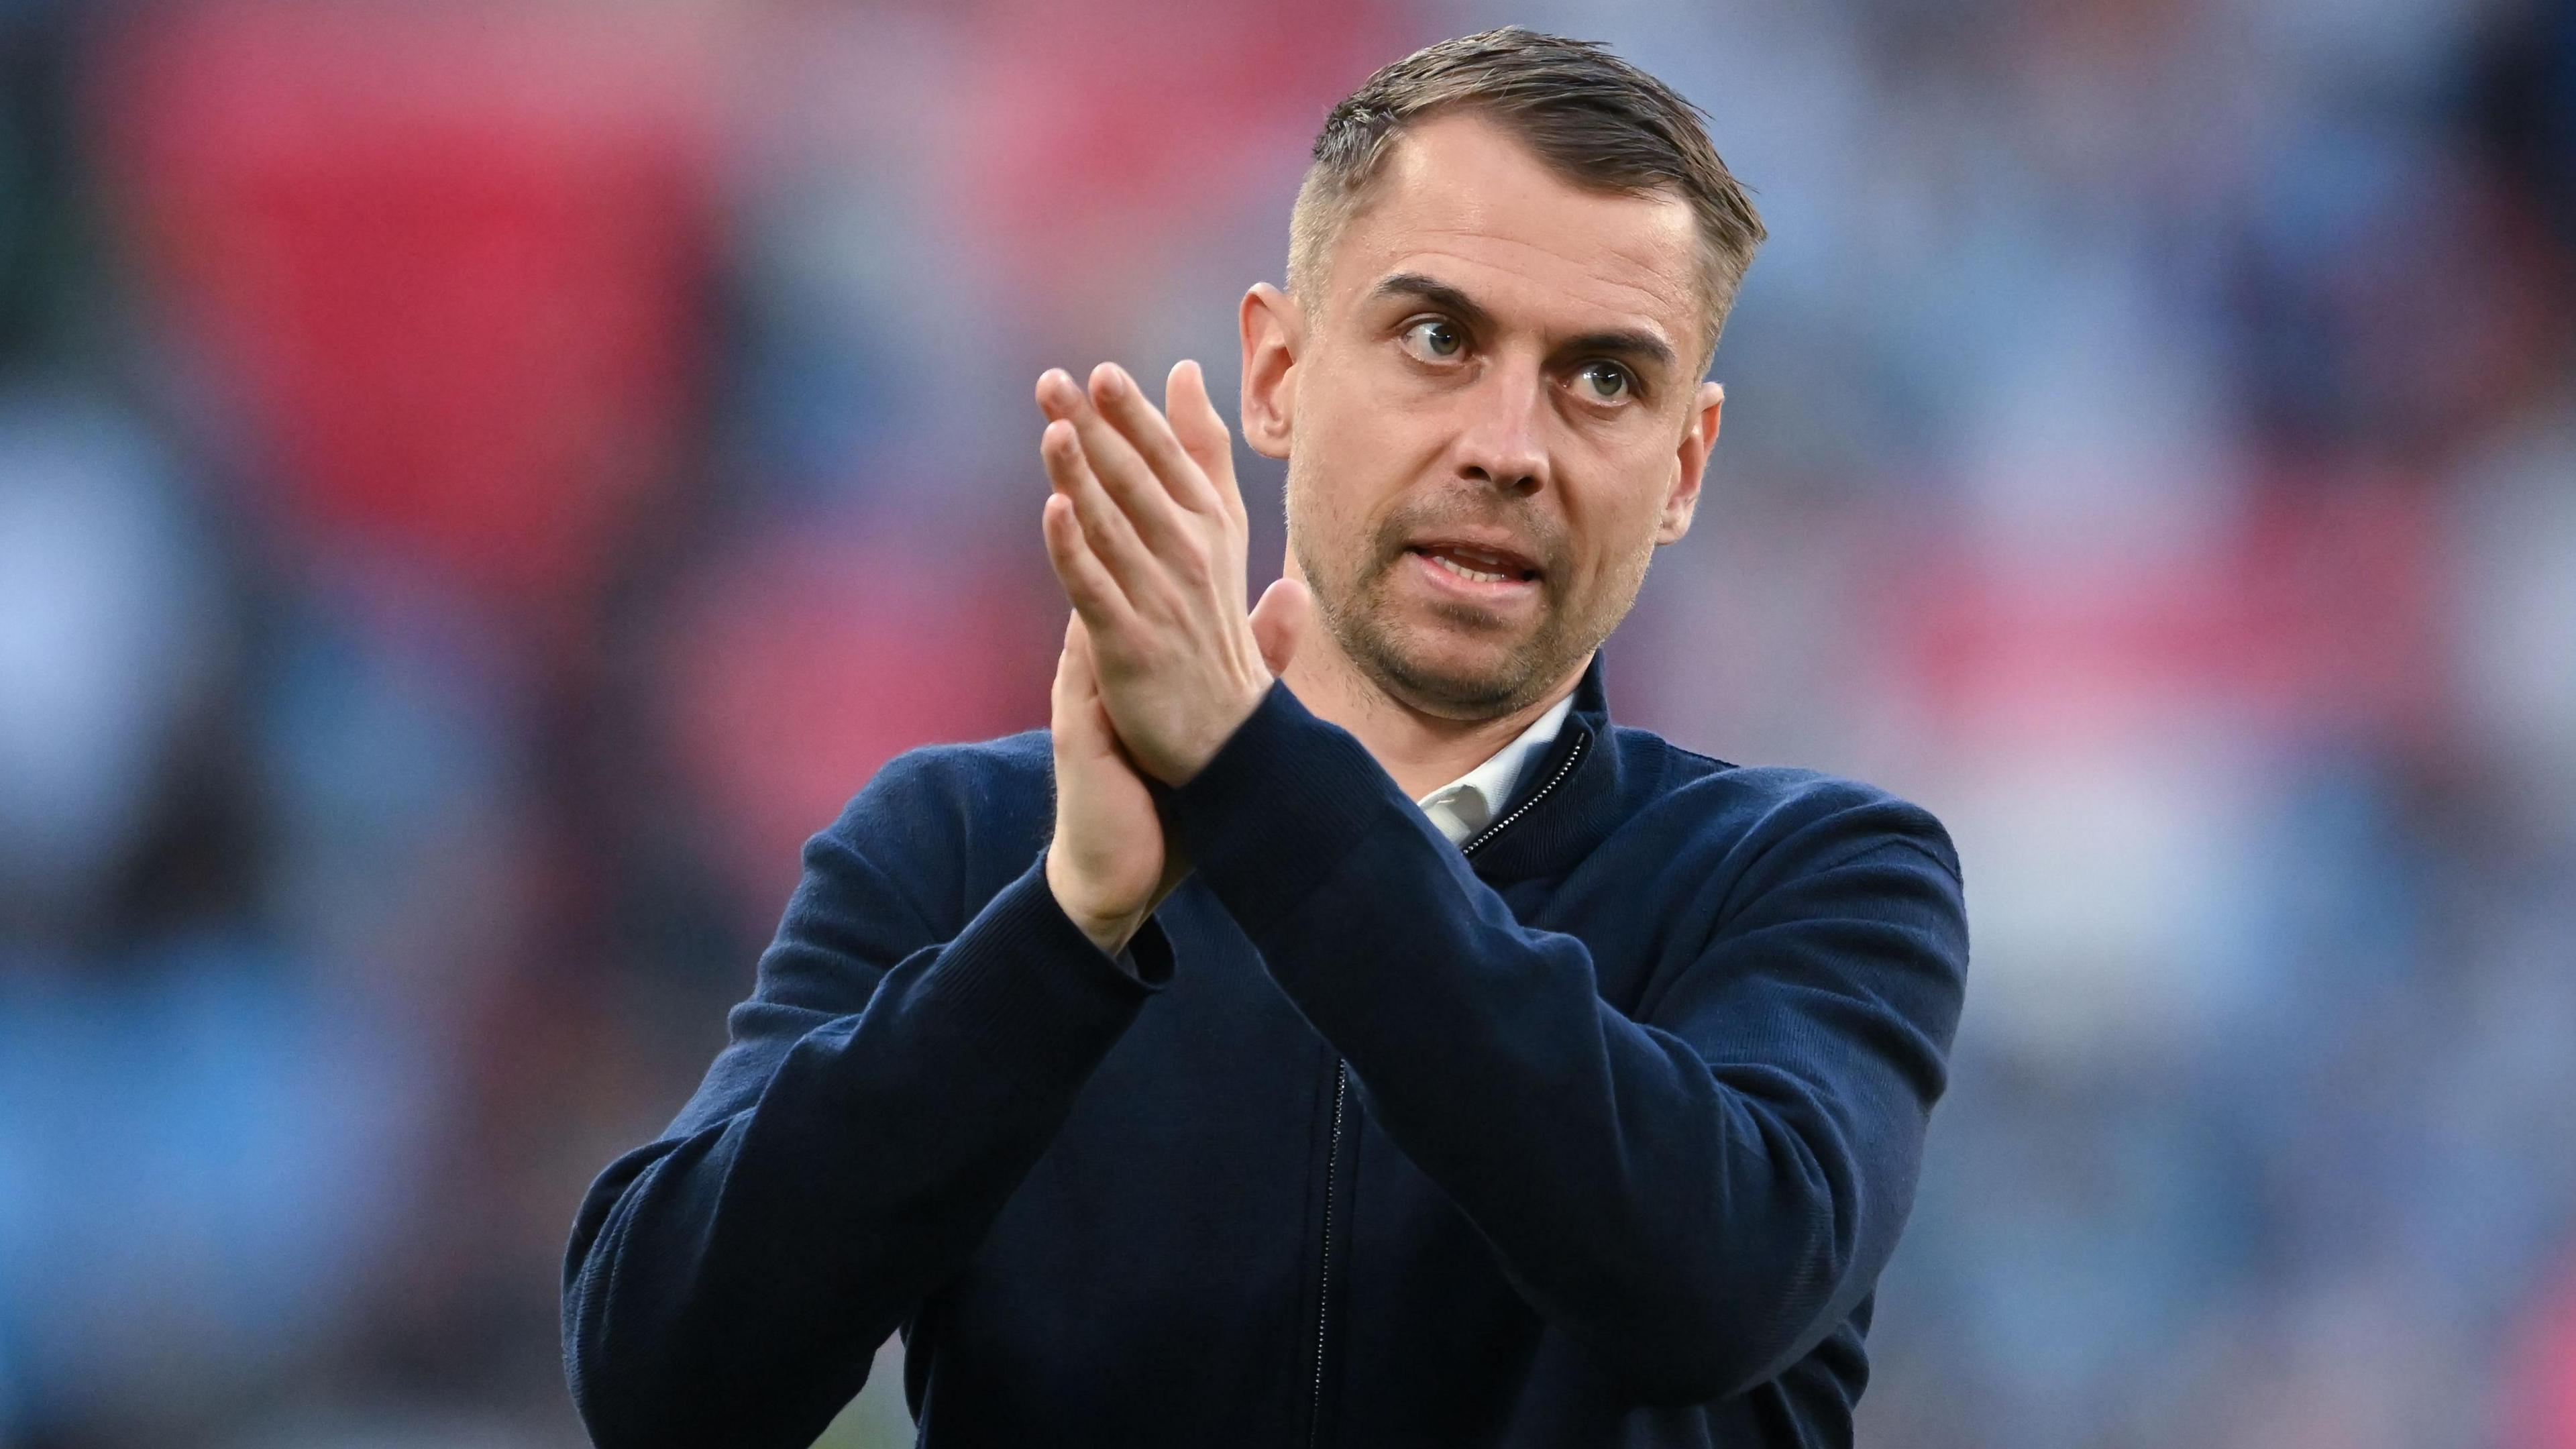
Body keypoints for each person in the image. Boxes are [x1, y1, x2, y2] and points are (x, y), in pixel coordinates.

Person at [562, 27, 1968, 1449]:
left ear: (1683, 467)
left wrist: (1251, 782)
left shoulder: (1821, 878)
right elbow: (663, 1381)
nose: (1507, 444)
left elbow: (1708, 1289)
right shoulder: (967, 853)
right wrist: (1063, 936)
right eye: (1438, 339)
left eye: (1603, 379)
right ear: (1279, 372)